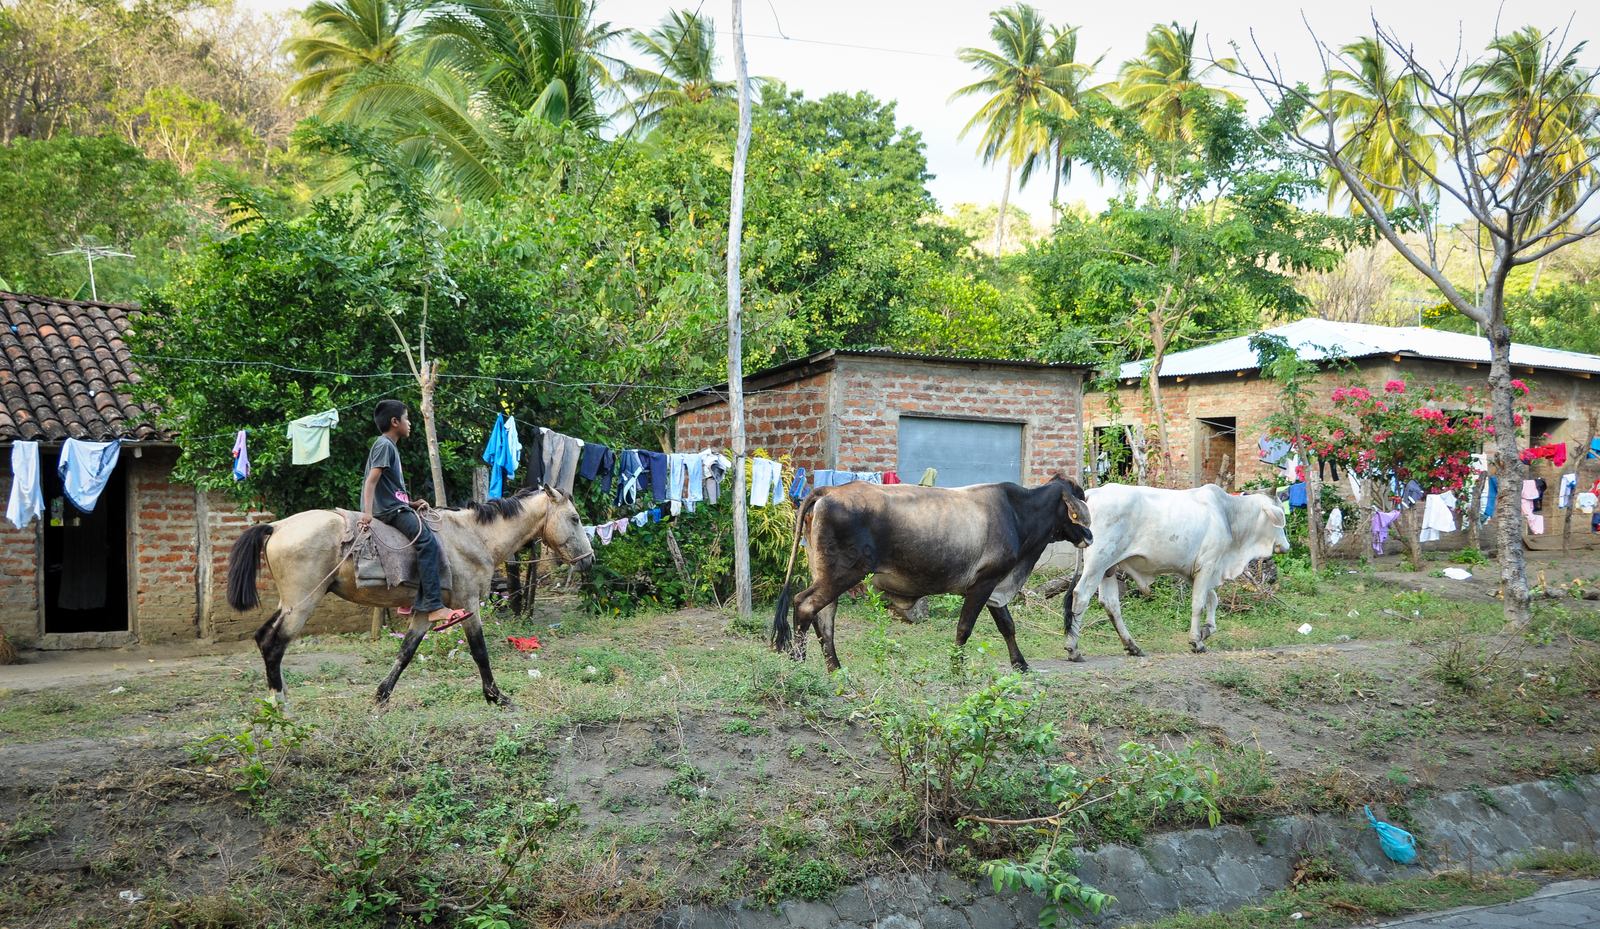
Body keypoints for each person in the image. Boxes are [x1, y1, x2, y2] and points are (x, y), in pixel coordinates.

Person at [359, 399, 468, 625]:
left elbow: (390, 489)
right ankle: (435, 607)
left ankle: (408, 599)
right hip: (390, 511)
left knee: (421, 540)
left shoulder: (390, 446)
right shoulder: (384, 445)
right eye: (407, 418)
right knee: (427, 543)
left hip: (398, 506)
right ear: (395, 421)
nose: (410, 424)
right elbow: (371, 481)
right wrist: (367, 513)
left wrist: (411, 503)